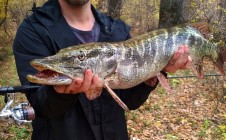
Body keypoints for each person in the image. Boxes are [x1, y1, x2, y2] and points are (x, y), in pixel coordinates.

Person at [12, 0, 191, 140]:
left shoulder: (116, 30)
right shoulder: (33, 31)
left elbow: (129, 100)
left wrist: (154, 72)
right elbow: (40, 103)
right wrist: (60, 93)